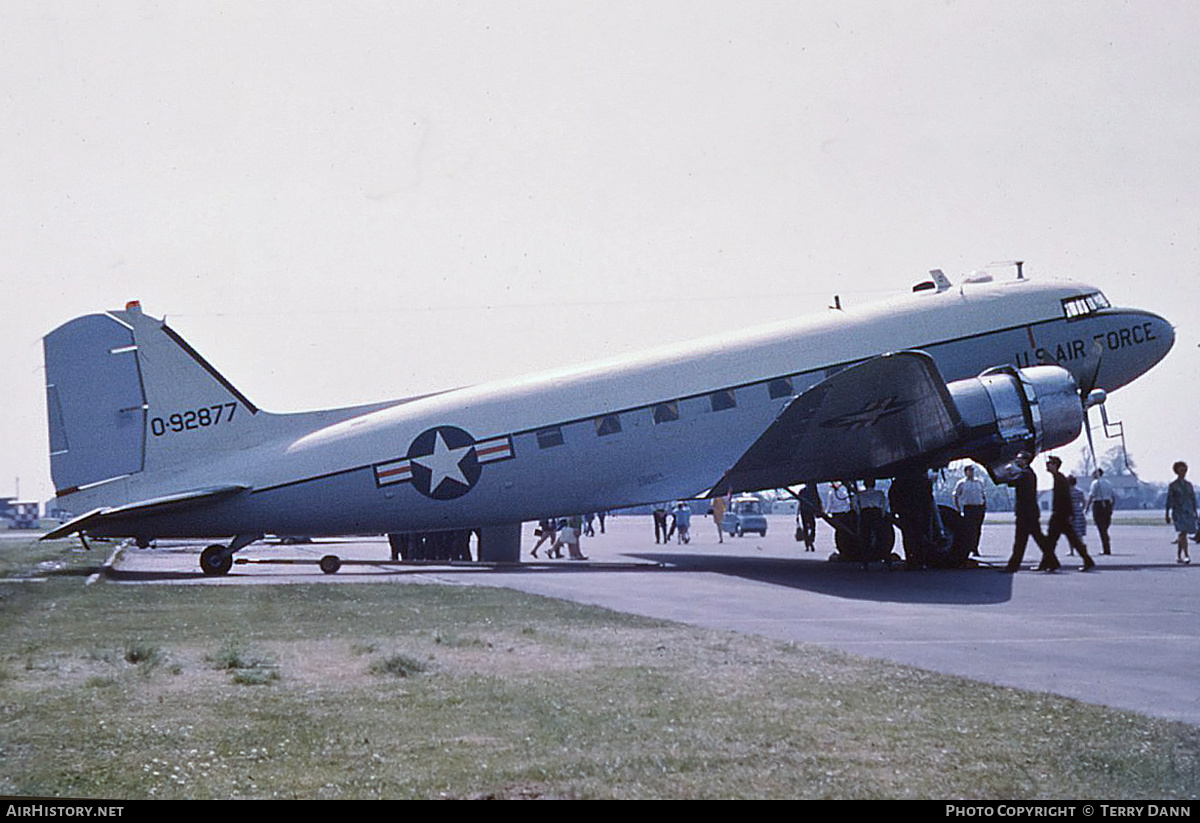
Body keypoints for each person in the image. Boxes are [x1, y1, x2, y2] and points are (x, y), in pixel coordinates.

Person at [1043, 455, 1094, 571]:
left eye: (1050, 463)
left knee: (1053, 541)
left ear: (1055, 465)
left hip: (1060, 516)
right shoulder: (1058, 478)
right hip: (1062, 515)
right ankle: (1087, 560)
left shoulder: (1060, 480)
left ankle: (1048, 563)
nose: (1047, 465)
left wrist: (1069, 515)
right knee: (1065, 540)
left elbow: (1066, 499)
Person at [1004, 452, 1053, 572]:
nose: (1017, 461)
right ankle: (1051, 561)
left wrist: (1008, 472)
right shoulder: (1028, 474)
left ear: (1025, 461)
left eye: (1019, 459)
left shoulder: (1025, 474)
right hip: (1030, 512)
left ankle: (1013, 566)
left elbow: (1012, 482)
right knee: (1037, 538)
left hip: (1025, 513)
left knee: (1021, 540)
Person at [1165, 461, 1196, 564]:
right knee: (1182, 533)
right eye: (1181, 470)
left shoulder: (1189, 485)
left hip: (1188, 511)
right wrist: (1167, 514)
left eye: (1184, 470)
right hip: (1178, 512)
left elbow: (1193, 499)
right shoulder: (1173, 486)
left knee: (1183, 534)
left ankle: (1179, 555)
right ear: (1177, 471)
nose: (1183, 472)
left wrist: (1195, 511)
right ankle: (1186, 555)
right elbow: (1169, 500)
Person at [953, 464, 987, 557]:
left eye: (972, 470)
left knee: (978, 529)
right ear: (966, 472)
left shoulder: (979, 482)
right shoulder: (962, 483)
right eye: (969, 471)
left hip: (979, 508)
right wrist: (958, 508)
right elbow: (956, 496)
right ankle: (968, 548)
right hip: (968, 508)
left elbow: (983, 495)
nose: (971, 472)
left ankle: (975, 548)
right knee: (969, 530)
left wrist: (984, 508)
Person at [1086, 468, 1115, 555]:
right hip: (1107, 504)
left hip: (1099, 504)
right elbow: (1113, 496)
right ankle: (1106, 546)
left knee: (1101, 527)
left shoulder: (1095, 483)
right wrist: (1111, 507)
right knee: (1105, 527)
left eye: (1094, 473)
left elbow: (1091, 496)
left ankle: (1106, 548)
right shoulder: (1108, 483)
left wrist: (1087, 507)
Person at [797, 483, 821, 551]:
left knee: (806, 528)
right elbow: (817, 501)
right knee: (813, 527)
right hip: (810, 511)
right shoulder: (813, 492)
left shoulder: (802, 491)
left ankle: (807, 544)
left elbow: (800, 502)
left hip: (804, 511)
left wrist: (797, 514)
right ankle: (810, 541)